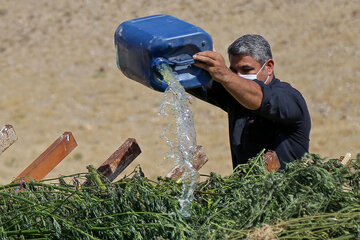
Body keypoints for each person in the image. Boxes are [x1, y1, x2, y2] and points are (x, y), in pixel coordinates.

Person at [188, 34, 311, 170]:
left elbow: (260, 98)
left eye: (246, 70)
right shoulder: (233, 94)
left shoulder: (288, 98)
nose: (238, 77)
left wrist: (226, 75)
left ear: (269, 67)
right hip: (245, 190)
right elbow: (189, 79)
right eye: (233, 71)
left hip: (286, 190)